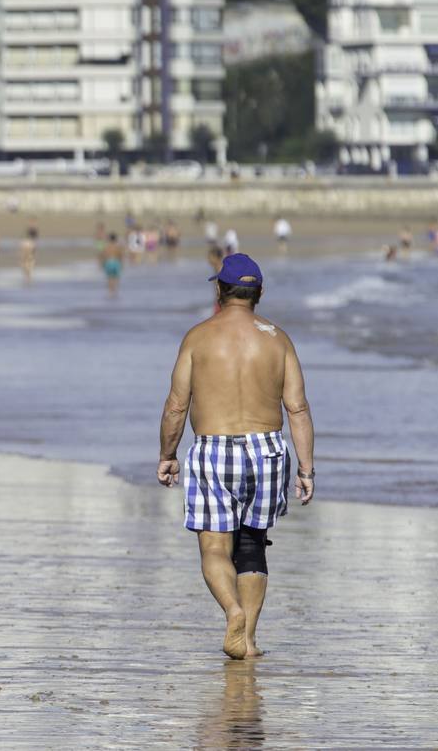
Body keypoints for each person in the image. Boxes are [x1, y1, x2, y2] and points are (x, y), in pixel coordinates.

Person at [156, 253, 315, 661]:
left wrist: (168, 453)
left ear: (219, 290)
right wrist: (306, 469)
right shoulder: (278, 339)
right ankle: (248, 640)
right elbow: (297, 408)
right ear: (259, 292)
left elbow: (177, 405)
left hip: (214, 447)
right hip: (267, 449)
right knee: (252, 545)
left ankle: (232, 612)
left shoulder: (198, 337)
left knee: (213, 547)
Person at [100, 233, 123, 298]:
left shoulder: (106, 247)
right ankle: (115, 292)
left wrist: (102, 264)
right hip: (116, 262)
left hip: (108, 262)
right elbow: (120, 256)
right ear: (116, 239)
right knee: (116, 278)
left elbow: (103, 255)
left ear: (109, 239)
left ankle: (110, 292)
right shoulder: (118, 247)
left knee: (109, 278)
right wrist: (121, 264)